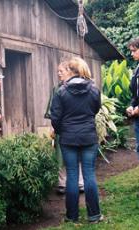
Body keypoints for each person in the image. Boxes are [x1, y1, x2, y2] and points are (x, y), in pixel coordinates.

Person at [50, 57, 102, 223]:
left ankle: (72, 216)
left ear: (71, 72)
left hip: (68, 138)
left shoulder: (61, 92)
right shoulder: (94, 90)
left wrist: (60, 131)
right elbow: (95, 109)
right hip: (88, 137)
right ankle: (94, 215)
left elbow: (55, 117)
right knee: (89, 174)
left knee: (71, 175)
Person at [44, 62, 84, 195]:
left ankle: (80, 183)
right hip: (61, 128)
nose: (59, 73)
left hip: (77, 127)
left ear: (69, 71)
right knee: (60, 155)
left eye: (61, 71)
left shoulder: (81, 86)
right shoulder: (56, 89)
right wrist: (53, 128)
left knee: (77, 154)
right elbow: (52, 111)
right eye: (58, 71)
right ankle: (62, 183)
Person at [126, 36, 139, 196]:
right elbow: (135, 94)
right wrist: (132, 106)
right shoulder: (138, 70)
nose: (132, 54)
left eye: (134, 50)